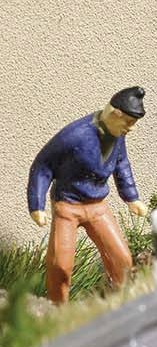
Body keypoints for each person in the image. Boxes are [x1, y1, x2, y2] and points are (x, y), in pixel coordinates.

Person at [27, 86, 150, 305]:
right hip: (68, 207)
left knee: (122, 259)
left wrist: (131, 197)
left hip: (97, 206)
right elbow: (43, 165)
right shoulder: (75, 135)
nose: (130, 129)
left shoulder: (117, 134)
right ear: (115, 114)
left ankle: (119, 306)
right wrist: (37, 205)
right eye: (129, 123)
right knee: (61, 265)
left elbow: (122, 165)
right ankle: (57, 310)